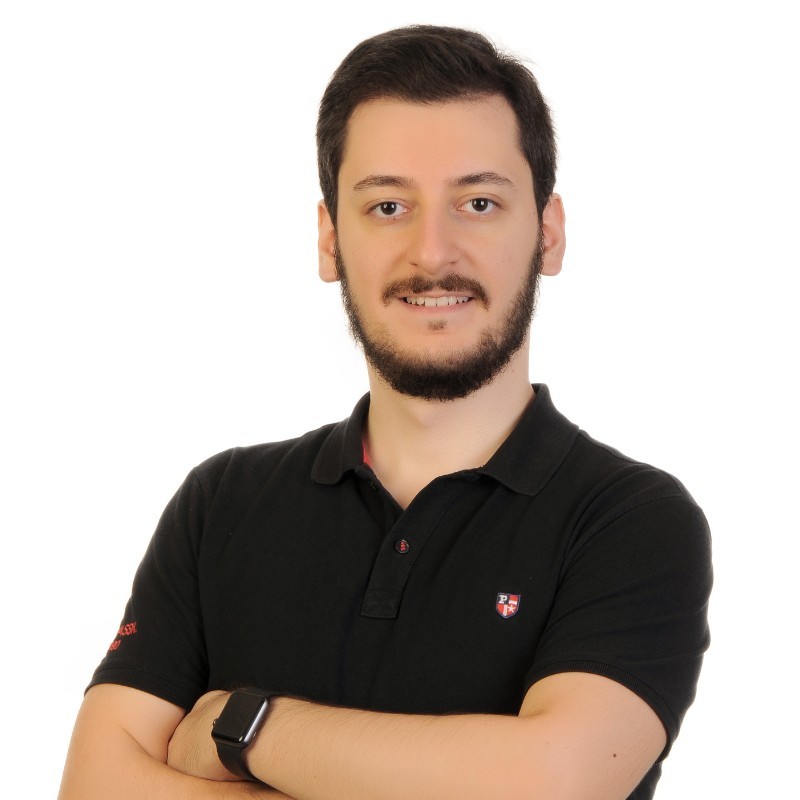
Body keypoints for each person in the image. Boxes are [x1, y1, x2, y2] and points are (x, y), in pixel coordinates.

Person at [58, 25, 712, 800]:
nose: (432, 253)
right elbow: (94, 785)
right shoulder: (221, 504)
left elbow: (550, 781)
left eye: (478, 202)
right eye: (388, 205)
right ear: (330, 240)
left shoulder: (632, 522)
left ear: (548, 233)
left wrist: (247, 728)